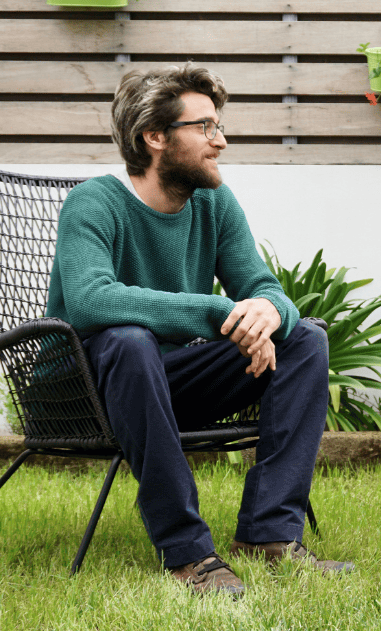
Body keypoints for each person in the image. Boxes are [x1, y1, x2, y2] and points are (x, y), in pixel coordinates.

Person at [46, 63, 352, 596]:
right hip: (84, 391)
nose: (222, 141)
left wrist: (270, 312)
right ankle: (187, 553)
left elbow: (261, 283)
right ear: (156, 137)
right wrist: (219, 313)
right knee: (128, 339)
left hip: (165, 384)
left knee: (305, 339)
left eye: (220, 126)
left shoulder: (214, 203)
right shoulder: (94, 202)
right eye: (206, 127)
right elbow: (93, 300)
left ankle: (269, 534)